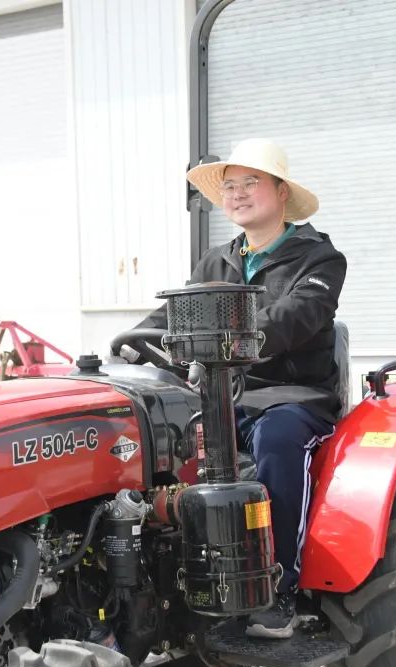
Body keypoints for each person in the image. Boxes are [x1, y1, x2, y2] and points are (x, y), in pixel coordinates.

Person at [135, 138, 346, 639]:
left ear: (281, 191)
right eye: (230, 186)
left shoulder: (318, 259)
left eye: (251, 182)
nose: (238, 194)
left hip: (292, 398)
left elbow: (295, 317)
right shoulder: (217, 262)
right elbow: (176, 314)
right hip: (220, 397)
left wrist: (232, 338)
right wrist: (133, 340)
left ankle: (280, 588)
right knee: (156, 436)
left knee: (277, 440)